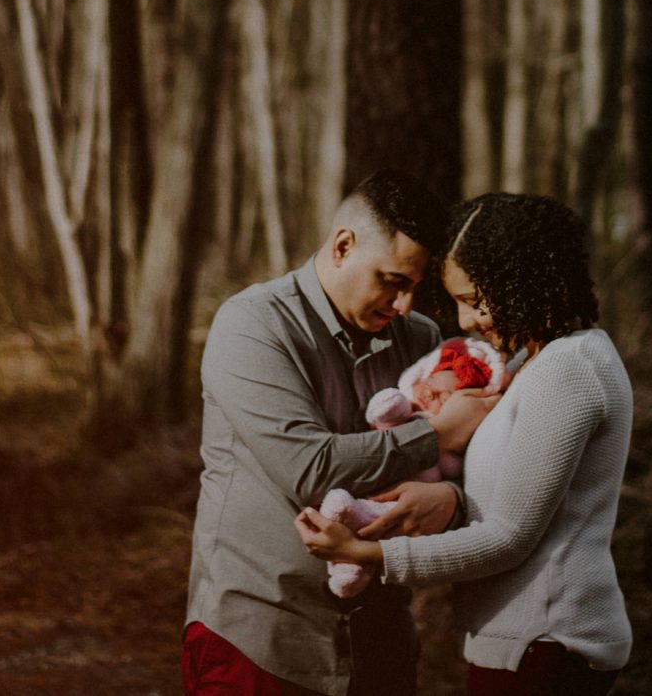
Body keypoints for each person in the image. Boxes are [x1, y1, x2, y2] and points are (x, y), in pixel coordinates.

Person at [294, 193, 633, 696]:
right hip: (523, 642)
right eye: (458, 302)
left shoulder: (569, 369)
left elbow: (508, 537)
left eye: (476, 300)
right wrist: (446, 498)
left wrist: (372, 554)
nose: (466, 321)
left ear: (528, 280)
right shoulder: (529, 366)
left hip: (546, 645)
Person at [184, 170, 501, 696]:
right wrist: (436, 435)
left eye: (416, 288)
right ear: (343, 245)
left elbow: (468, 469)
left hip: (380, 638)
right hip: (262, 640)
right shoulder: (251, 326)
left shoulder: (420, 337)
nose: (404, 306)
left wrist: (448, 495)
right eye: (394, 281)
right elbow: (310, 469)